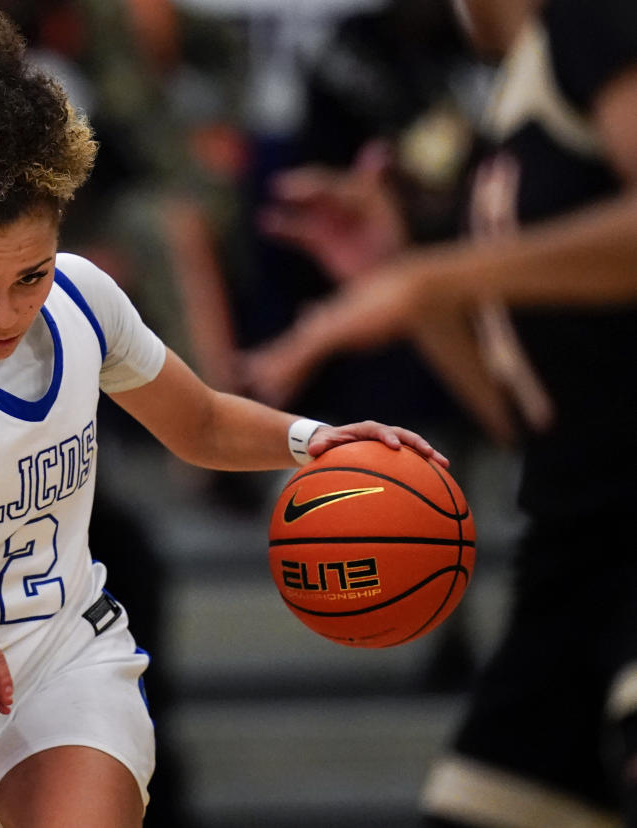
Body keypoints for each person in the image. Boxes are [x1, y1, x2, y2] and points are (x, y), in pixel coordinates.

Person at [0, 6, 448, 826]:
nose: (5, 311)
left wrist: (312, 442)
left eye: (30, 275)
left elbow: (203, 425)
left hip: (65, 663)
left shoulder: (85, 295)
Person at [245, 0, 637, 824]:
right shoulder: (504, 98)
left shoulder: (595, 22)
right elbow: (519, 412)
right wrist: (398, 271)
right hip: (578, 552)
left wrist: (436, 279)